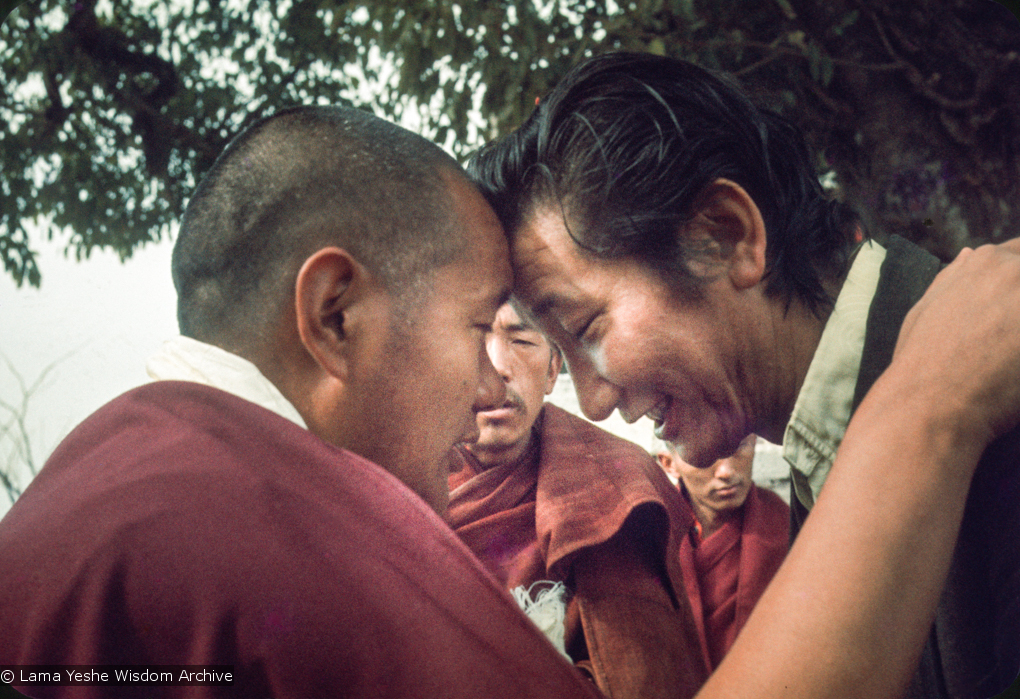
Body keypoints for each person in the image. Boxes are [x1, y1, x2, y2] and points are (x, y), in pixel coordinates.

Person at [469, 51, 1020, 699]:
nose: (592, 402)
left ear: (724, 235)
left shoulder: (989, 387)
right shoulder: (860, 432)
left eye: (586, 326)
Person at [0, 106, 603, 698]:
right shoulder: (323, 581)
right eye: (476, 329)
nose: (490, 390)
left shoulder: (75, 489)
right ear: (335, 316)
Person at [447, 301, 707, 698]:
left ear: (553, 370)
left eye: (522, 341)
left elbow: (645, 676)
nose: (498, 367)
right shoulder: (399, 485)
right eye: (476, 339)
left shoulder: (621, 482)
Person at [657, 435, 789, 671]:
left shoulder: (783, 522)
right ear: (669, 464)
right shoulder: (652, 537)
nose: (726, 472)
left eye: (739, 447)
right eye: (703, 457)